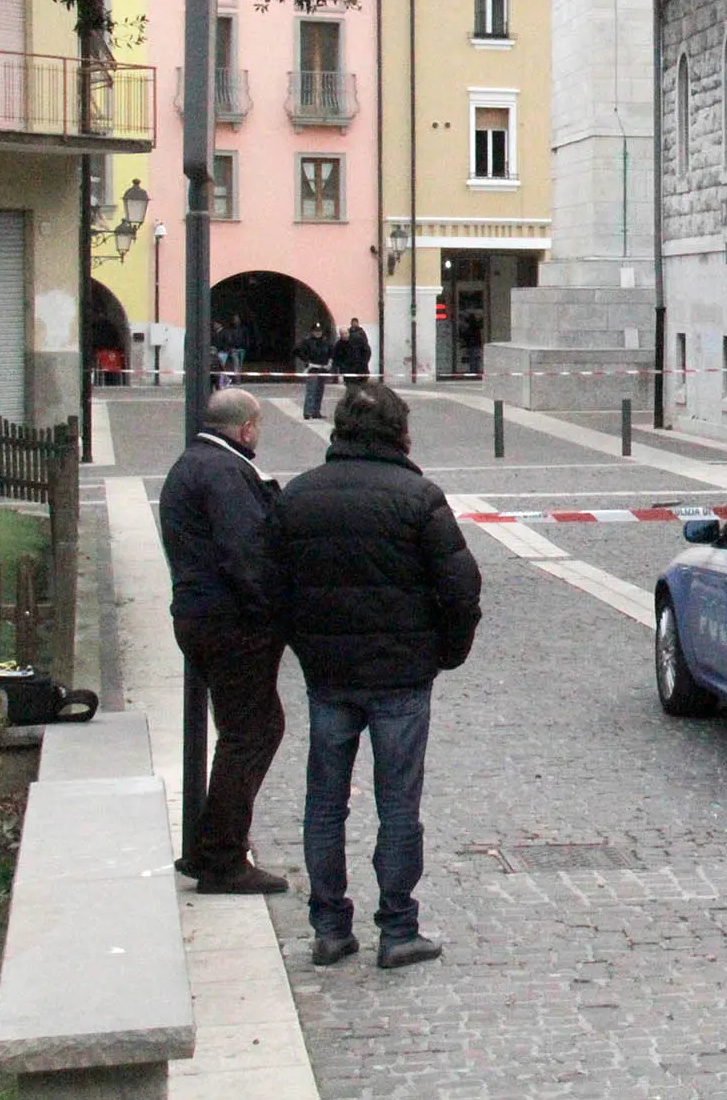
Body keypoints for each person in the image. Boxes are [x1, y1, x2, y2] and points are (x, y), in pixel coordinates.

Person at [268, 382, 480, 969]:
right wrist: (447, 652)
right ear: (399, 433)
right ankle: (397, 927)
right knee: (398, 805)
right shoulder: (418, 497)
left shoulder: (300, 497)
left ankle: (330, 927)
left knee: (325, 802)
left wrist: (303, 643)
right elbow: (460, 587)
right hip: (401, 675)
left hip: (329, 673)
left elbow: (272, 586)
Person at [156, 386, 289, 894]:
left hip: (203, 614)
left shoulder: (195, 464)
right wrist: (275, 615)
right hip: (229, 622)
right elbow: (248, 554)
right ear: (248, 427)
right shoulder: (225, 472)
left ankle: (214, 846)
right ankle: (220, 855)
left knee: (249, 728)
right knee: (251, 731)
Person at [296, 324, 333, 420]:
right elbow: (297, 351)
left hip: (323, 369)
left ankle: (316, 412)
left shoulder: (325, 341)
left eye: (319, 331)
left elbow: (331, 353)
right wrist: (306, 360)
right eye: (316, 331)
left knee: (319, 391)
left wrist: (330, 362)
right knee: (311, 391)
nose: (318, 333)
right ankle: (308, 412)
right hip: (312, 368)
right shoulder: (307, 341)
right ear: (312, 332)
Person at [333, 318, 372, 388]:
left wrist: (364, 363)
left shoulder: (358, 339)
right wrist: (342, 368)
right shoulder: (338, 345)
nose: (344, 336)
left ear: (348, 332)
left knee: (362, 389)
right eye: (342, 334)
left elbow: (367, 351)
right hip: (348, 372)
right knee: (351, 390)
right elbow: (336, 358)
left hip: (361, 370)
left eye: (345, 333)